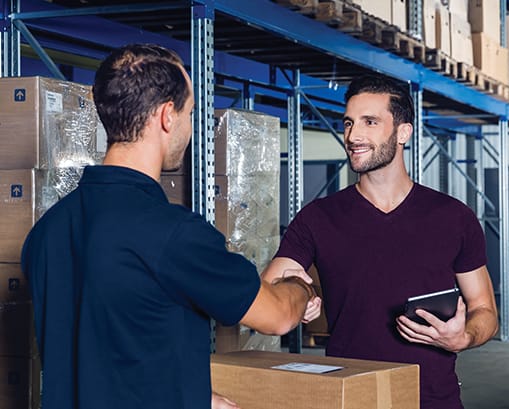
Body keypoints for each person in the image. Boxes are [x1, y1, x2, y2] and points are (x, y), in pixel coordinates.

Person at [21, 43, 317, 409]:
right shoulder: (174, 234)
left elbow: (108, 350)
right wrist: (298, 287)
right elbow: (277, 316)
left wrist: (192, 396)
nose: (191, 129)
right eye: (190, 113)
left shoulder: (46, 232)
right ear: (166, 117)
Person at [262, 74, 499, 409]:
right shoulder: (318, 217)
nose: (353, 135)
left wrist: (464, 336)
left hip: (431, 399)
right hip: (350, 397)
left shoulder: (453, 217)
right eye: (348, 123)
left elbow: (485, 310)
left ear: (403, 132)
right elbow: (270, 289)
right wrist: (300, 295)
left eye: (369, 122)